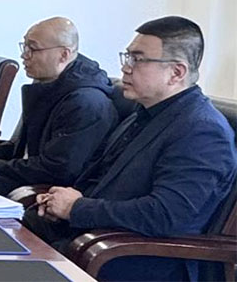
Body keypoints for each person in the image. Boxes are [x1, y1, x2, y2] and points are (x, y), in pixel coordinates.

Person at [25, 16, 237, 281]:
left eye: (138, 59)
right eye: (127, 57)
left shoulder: (202, 131)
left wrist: (77, 208)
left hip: (141, 261)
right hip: (97, 239)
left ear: (176, 72)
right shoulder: (143, 113)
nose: (125, 68)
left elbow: (165, 215)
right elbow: (104, 180)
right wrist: (62, 201)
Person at [0, 17, 118, 195]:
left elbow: (57, 171)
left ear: (64, 55)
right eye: (24, 47)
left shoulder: (86, 103)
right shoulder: (50, 85)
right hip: (24, 175)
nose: (24, 55)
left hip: (40, 189)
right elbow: (27, 150)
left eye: (33, 48)